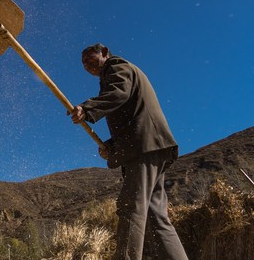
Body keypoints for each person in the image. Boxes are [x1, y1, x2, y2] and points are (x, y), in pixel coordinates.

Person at [68, 44, 188, 260]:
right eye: (83, 62)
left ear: (105, 52)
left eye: (90, 57)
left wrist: (87, 108)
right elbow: (132, 115)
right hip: (152, 147)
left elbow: (119, 93)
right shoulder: (116, 74)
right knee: (155, 217)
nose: (86, 64)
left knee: (131, 208)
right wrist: (112, 147)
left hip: (144, 148)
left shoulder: (117, 66)